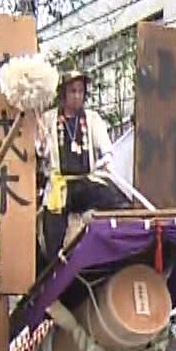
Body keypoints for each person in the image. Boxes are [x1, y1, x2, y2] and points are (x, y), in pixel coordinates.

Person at [35, 69, 123, 263]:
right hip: (60, 185)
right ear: (63, 94)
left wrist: (106, 159)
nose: (77, 96)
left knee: (115, 197)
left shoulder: (92, 118)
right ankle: (54, 266)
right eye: (73, 91)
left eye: (80, 91)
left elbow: (106, 147)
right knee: (53, 226)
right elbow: (41, 152)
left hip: (85, 181)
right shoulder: (48, 119)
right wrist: (41, 142)